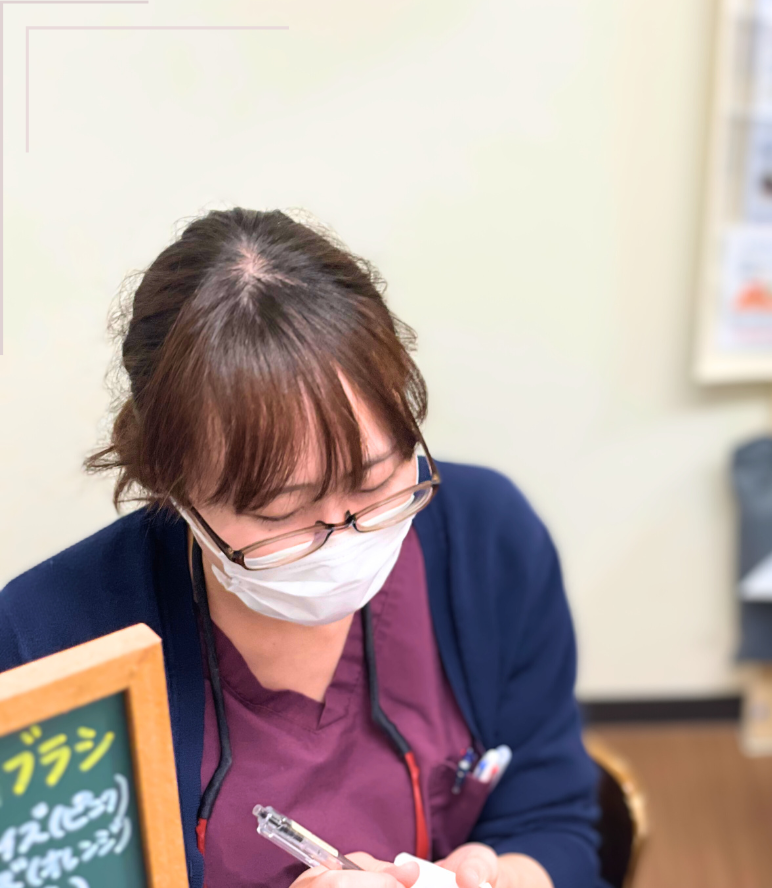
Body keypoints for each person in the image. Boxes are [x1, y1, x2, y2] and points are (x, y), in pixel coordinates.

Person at [0, 209, 602, 888]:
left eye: (376, 482)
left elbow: (552, 825)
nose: (343, 535)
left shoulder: (488, 542)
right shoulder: (49, 642)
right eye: (282, 512)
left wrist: (486, 877)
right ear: (171, 487)